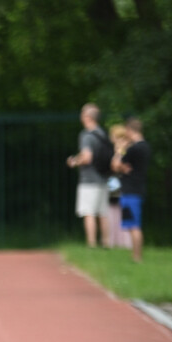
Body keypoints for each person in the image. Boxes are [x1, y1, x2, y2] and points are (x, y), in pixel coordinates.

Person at [66, 103, 111, 247]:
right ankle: (105, 243)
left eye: (82, 113)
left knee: (89, 213)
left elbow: (87, 157)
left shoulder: (86, 135)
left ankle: (91, 244)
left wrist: (74, 161)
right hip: (104, 178)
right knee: (103, 213)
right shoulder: (102, 134)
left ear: (87, 117)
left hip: (89, 180)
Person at [113, 117, 150, 264]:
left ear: (130, 130)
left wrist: (119, 150)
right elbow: (125, 167)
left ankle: (137, 257)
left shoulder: (134, 149)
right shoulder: (146, 147)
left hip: (130, 190)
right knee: (133, 224)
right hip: (138, 188)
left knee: (134, 225)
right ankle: (135, 255)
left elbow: (116, 165)